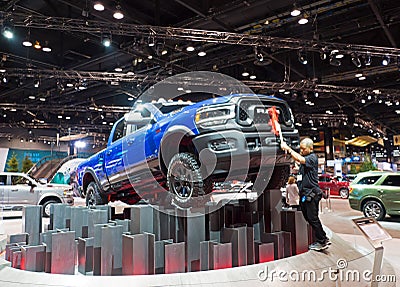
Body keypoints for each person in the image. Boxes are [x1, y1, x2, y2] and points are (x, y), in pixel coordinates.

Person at [281, 138, 331, 251]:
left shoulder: (312, 158)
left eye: (303, 149)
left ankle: (322, 240)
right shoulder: (306, 161)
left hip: (311, 194)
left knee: (313, 218)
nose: (302, 150)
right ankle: (321, 237)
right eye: (301, 149)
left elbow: (300, 159)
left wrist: (289, 149)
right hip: (305, 195)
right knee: (308, 217)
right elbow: (299, 161)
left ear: (310, 148)